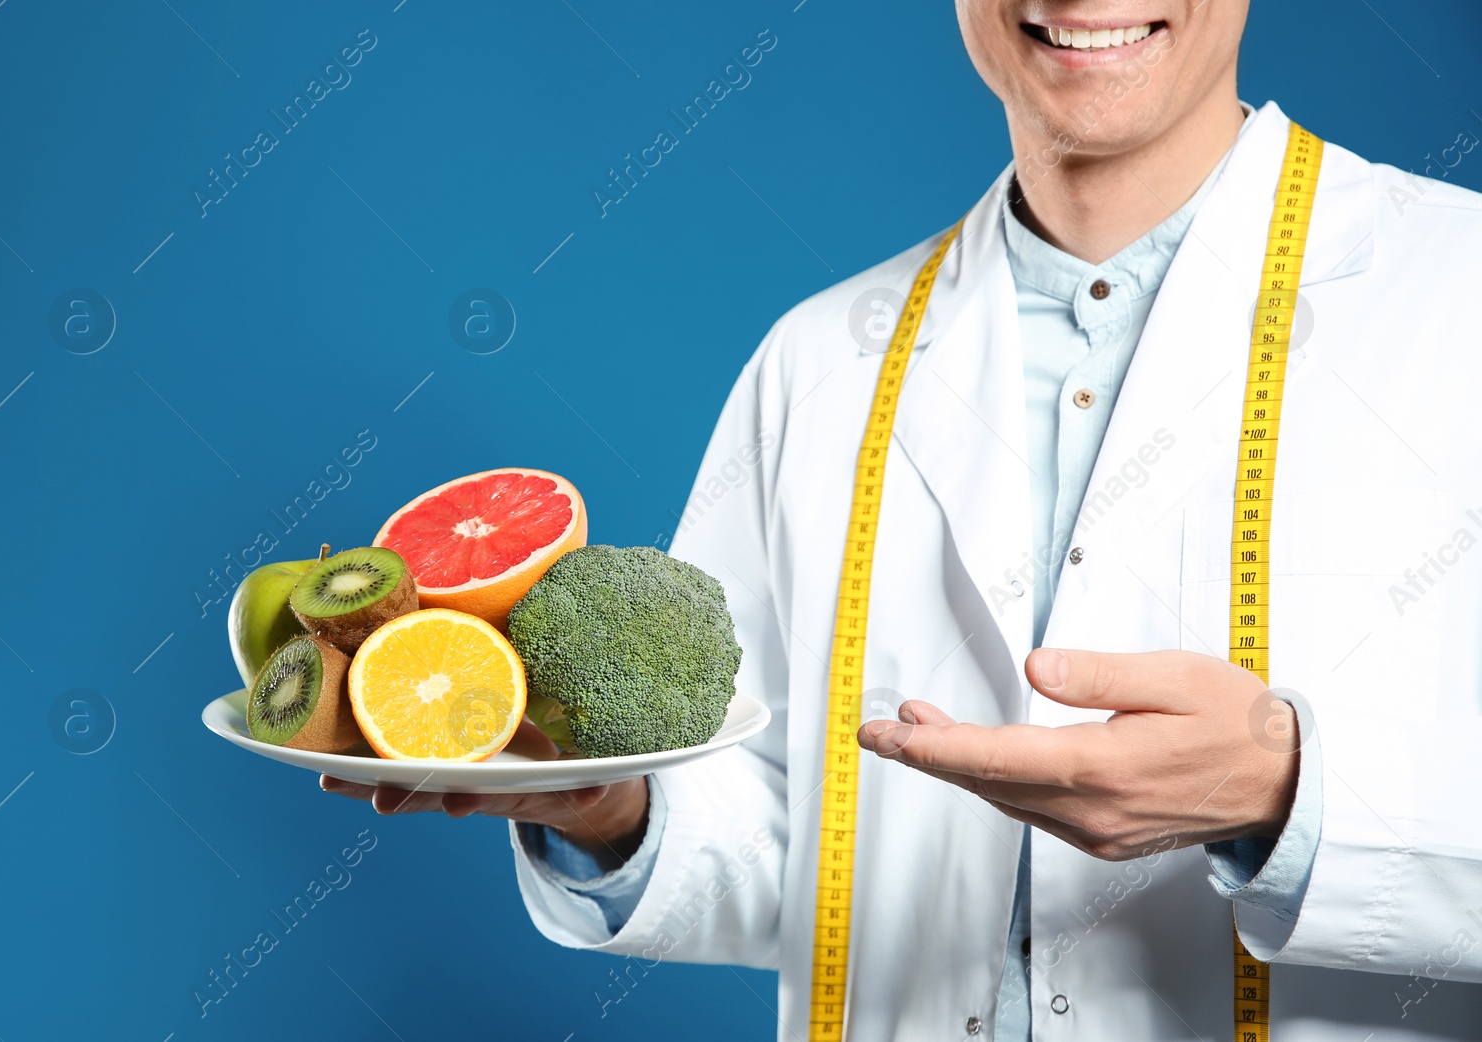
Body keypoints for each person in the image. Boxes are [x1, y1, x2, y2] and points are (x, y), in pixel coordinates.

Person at [323, 2, 1482, 1038]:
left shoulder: (1455, 291)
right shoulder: (820, 358)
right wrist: (612, 807)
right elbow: (793, 844)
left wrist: (1290, 804)